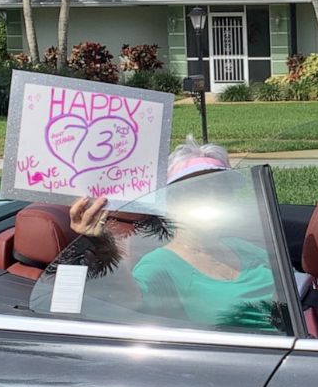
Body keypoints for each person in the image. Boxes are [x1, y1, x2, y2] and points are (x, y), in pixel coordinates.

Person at [67, 136, 278, 330]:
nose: (214, 197)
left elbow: (294, 288)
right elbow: (131, 302)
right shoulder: (160, 264)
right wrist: (102, 242)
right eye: (198, 190)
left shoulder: (241, 246)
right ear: (171, 202)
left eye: (222, 188)